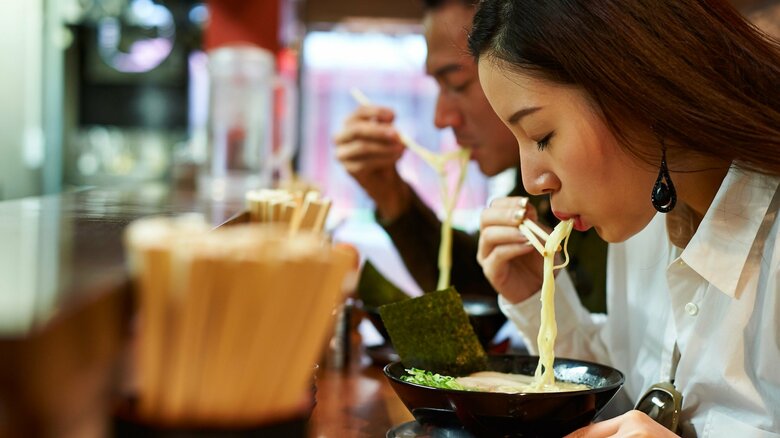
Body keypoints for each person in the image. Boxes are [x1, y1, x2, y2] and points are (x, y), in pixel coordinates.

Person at [468, 0, 780, 436]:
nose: (532, 180)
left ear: (635, 88)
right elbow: (629, 398)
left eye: (541, 136)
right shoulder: (646, 217)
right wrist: (535, 297)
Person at [333, 0, 607, 309]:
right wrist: (392, 196)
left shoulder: (620, 198)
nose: (440, 118)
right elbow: (487, 293)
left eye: (457, 83)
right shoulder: (531, 187)